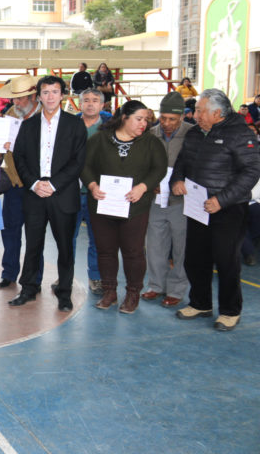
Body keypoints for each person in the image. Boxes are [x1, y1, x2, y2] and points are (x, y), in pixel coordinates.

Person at [171, 89, 260, 331]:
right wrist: (177, 180)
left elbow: (251, 171)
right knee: (195, 258)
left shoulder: (240, 134)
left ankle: (231, 311)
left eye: (201, 110)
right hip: (197, 206)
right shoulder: (194, 134)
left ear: (217, 113)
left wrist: (222, 200)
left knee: (226, 260)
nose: (195, 114)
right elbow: (182, 163)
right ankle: (200, 304)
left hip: (228, 209)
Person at [81, 100, 167, 313]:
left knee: (133, 252)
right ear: (124, 118)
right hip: (103, 205)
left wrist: (143, 187)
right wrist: (92, 185)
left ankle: (132, 293)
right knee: (105, 250)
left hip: (135, 207)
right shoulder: (100, 139)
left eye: (146, 120)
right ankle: (109, 291)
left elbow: (159, 168)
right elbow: (84, 165)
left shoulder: (151, 142)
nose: (143, 124)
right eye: (139, 119)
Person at [10, 76, 87, 312]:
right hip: (34, 194)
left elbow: (78, 162)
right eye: (46, 92)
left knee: (65, 247)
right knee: (33, 245)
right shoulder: (28, 125)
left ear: (62, 95)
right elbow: (19, 157)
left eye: (55, 92)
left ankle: (64, 293)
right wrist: (34, 183)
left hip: (62, 194)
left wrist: (53, 185)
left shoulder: (75, 125)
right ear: (39, 96)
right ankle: (29, 288)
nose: (50, 97)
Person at [141, 92, 194, 308]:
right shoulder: (150, 134)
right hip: (155, 200)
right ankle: (155, 285)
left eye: (172, 119)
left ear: (182, 117)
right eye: (163, 118)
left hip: (183, 201)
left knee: (181, 247)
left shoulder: (193, 135)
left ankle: (176, 290)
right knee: (154, 245)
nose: (166, 123)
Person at [0, 75, 44, 290]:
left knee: (35, 235)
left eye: (21, 99)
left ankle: (34, 277)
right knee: (10, 231)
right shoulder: (9, 116)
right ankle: (9, 272)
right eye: (14, 99)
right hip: (14, 184)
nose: (17, 103)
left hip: (37, 187)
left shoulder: (46, 118)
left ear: (33, 96)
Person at [73, 88, 112, 294]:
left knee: (97, 238)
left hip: (99, 193)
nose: (90, 104)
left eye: (95, 100)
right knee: (68, 237)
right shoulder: (69, 126)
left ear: (102, 105)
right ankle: (65, 277)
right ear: (80, 104)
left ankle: (95, 277)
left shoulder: (110, 129)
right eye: (86, 100)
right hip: (72, 191)